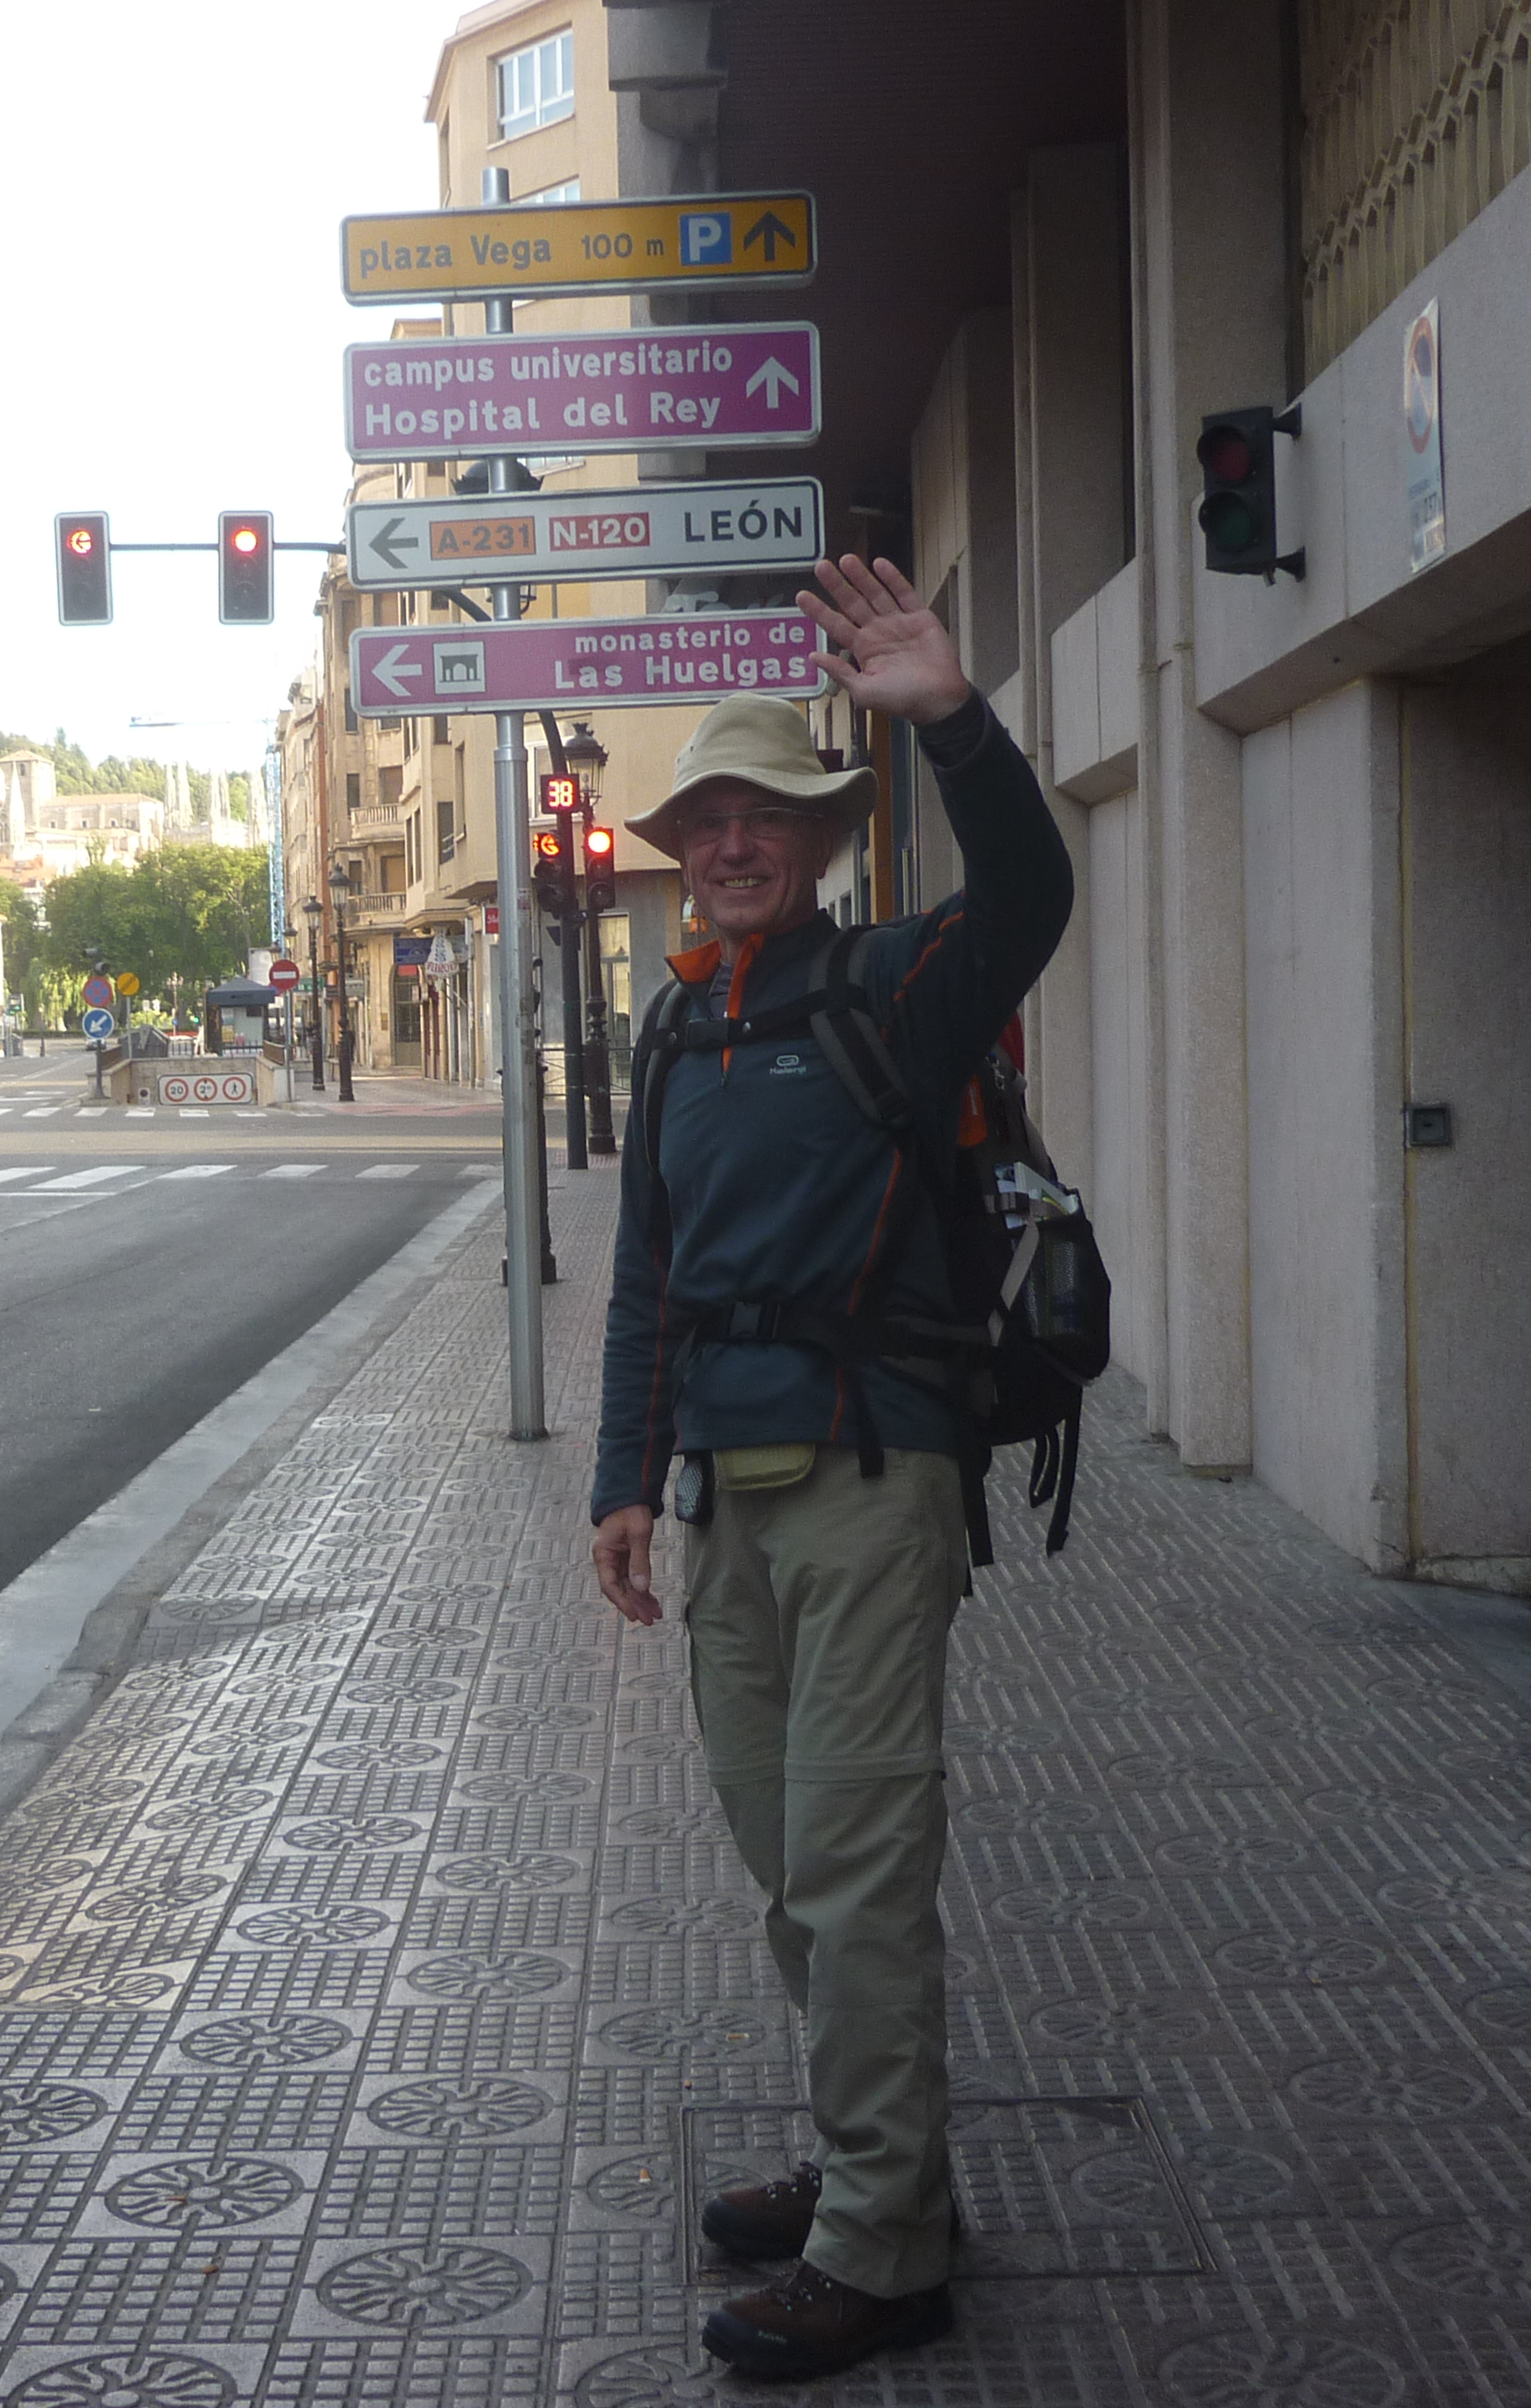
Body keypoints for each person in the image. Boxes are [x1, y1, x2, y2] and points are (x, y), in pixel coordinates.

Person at [589, 554, 1072, 2380]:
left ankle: (883, 2247)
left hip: (879, 1483)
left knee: (861, 1868)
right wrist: (621, 1481)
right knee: (790, 1867)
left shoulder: (895, 983)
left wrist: (948, 716)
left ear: (819, 835)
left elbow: (1032, 890)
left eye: (763, 815)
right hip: (728, 1498)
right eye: (705, 820)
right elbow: (645, 1275)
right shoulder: (676, 1028)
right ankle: (888, 2166)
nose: (729, 843)